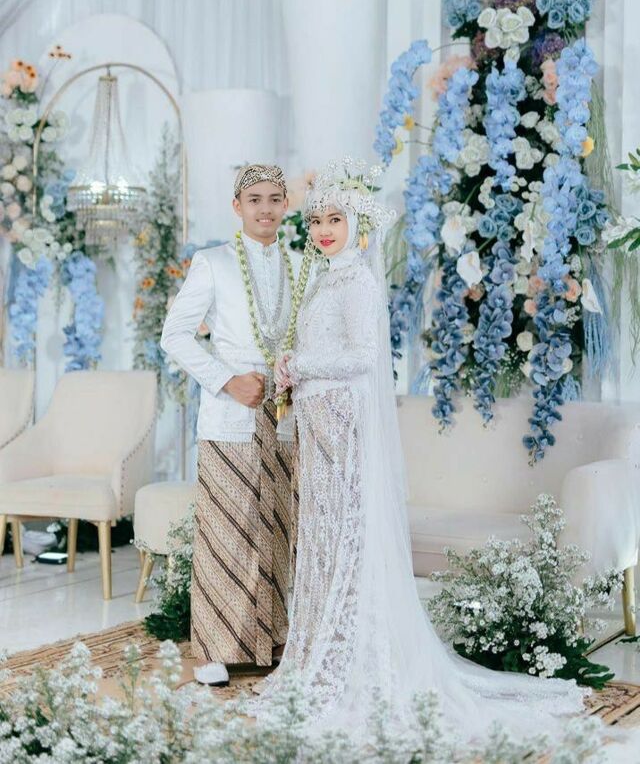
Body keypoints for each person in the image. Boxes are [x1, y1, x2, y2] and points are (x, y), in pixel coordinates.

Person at [247, 160, 589, 746]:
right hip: (320, 426)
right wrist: (292, 367)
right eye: (319, 220)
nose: (324, 230)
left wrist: (298, 364)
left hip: (344, 428)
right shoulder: (326, 278)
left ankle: (348, 659)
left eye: (336, 220)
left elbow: (361, 356)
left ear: (357, 225)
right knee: (324, 541)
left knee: (346, 540)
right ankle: (320, 656)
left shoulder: (358, 282)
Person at [161, 164, 301, 686]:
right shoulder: (214, 262)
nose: (265, 208)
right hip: (231, 415)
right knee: (228, 527)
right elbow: (175, 336)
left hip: (285, 412)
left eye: (274, 198)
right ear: (237, 206)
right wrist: (227, 380)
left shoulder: (302, 263)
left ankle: (274, 637)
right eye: (254, 199)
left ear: (286, 205)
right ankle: (214, 650)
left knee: (281, 526)